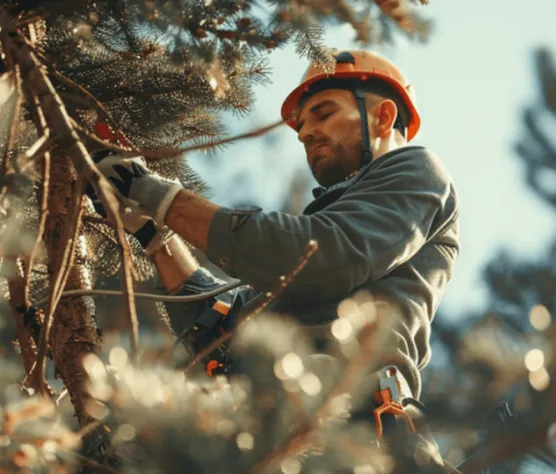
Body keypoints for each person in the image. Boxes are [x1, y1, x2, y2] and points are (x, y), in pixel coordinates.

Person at [85, 50, 460, 472]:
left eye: (322, 113)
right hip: (261, 437)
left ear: (384, 116)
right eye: (302, 124)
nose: (305, 133)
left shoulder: (416, 172)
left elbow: (322, 257)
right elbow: (222, 318)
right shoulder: (317, 236)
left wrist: (154, 192)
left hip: (349, 434)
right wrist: (153, 232)